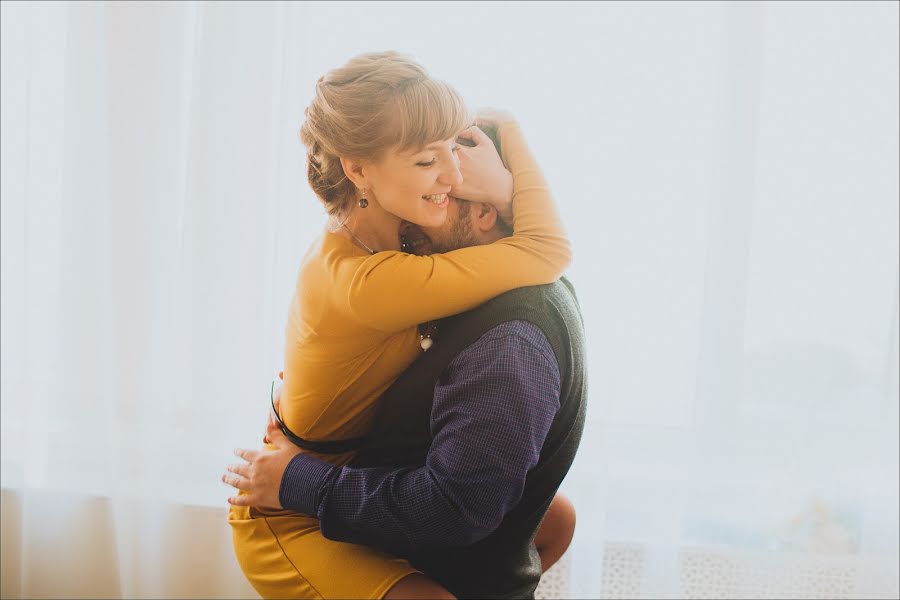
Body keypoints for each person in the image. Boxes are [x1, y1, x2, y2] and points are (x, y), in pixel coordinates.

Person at [225, 50, 572, 599]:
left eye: (452, 151)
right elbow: (548, 249)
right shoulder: (371, 282)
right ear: (358, 169)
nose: (454, 175)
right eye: (425, 162)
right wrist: (510, 135)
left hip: (359, 462)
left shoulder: (394, 234)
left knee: (555, 518)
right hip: (288, 509)